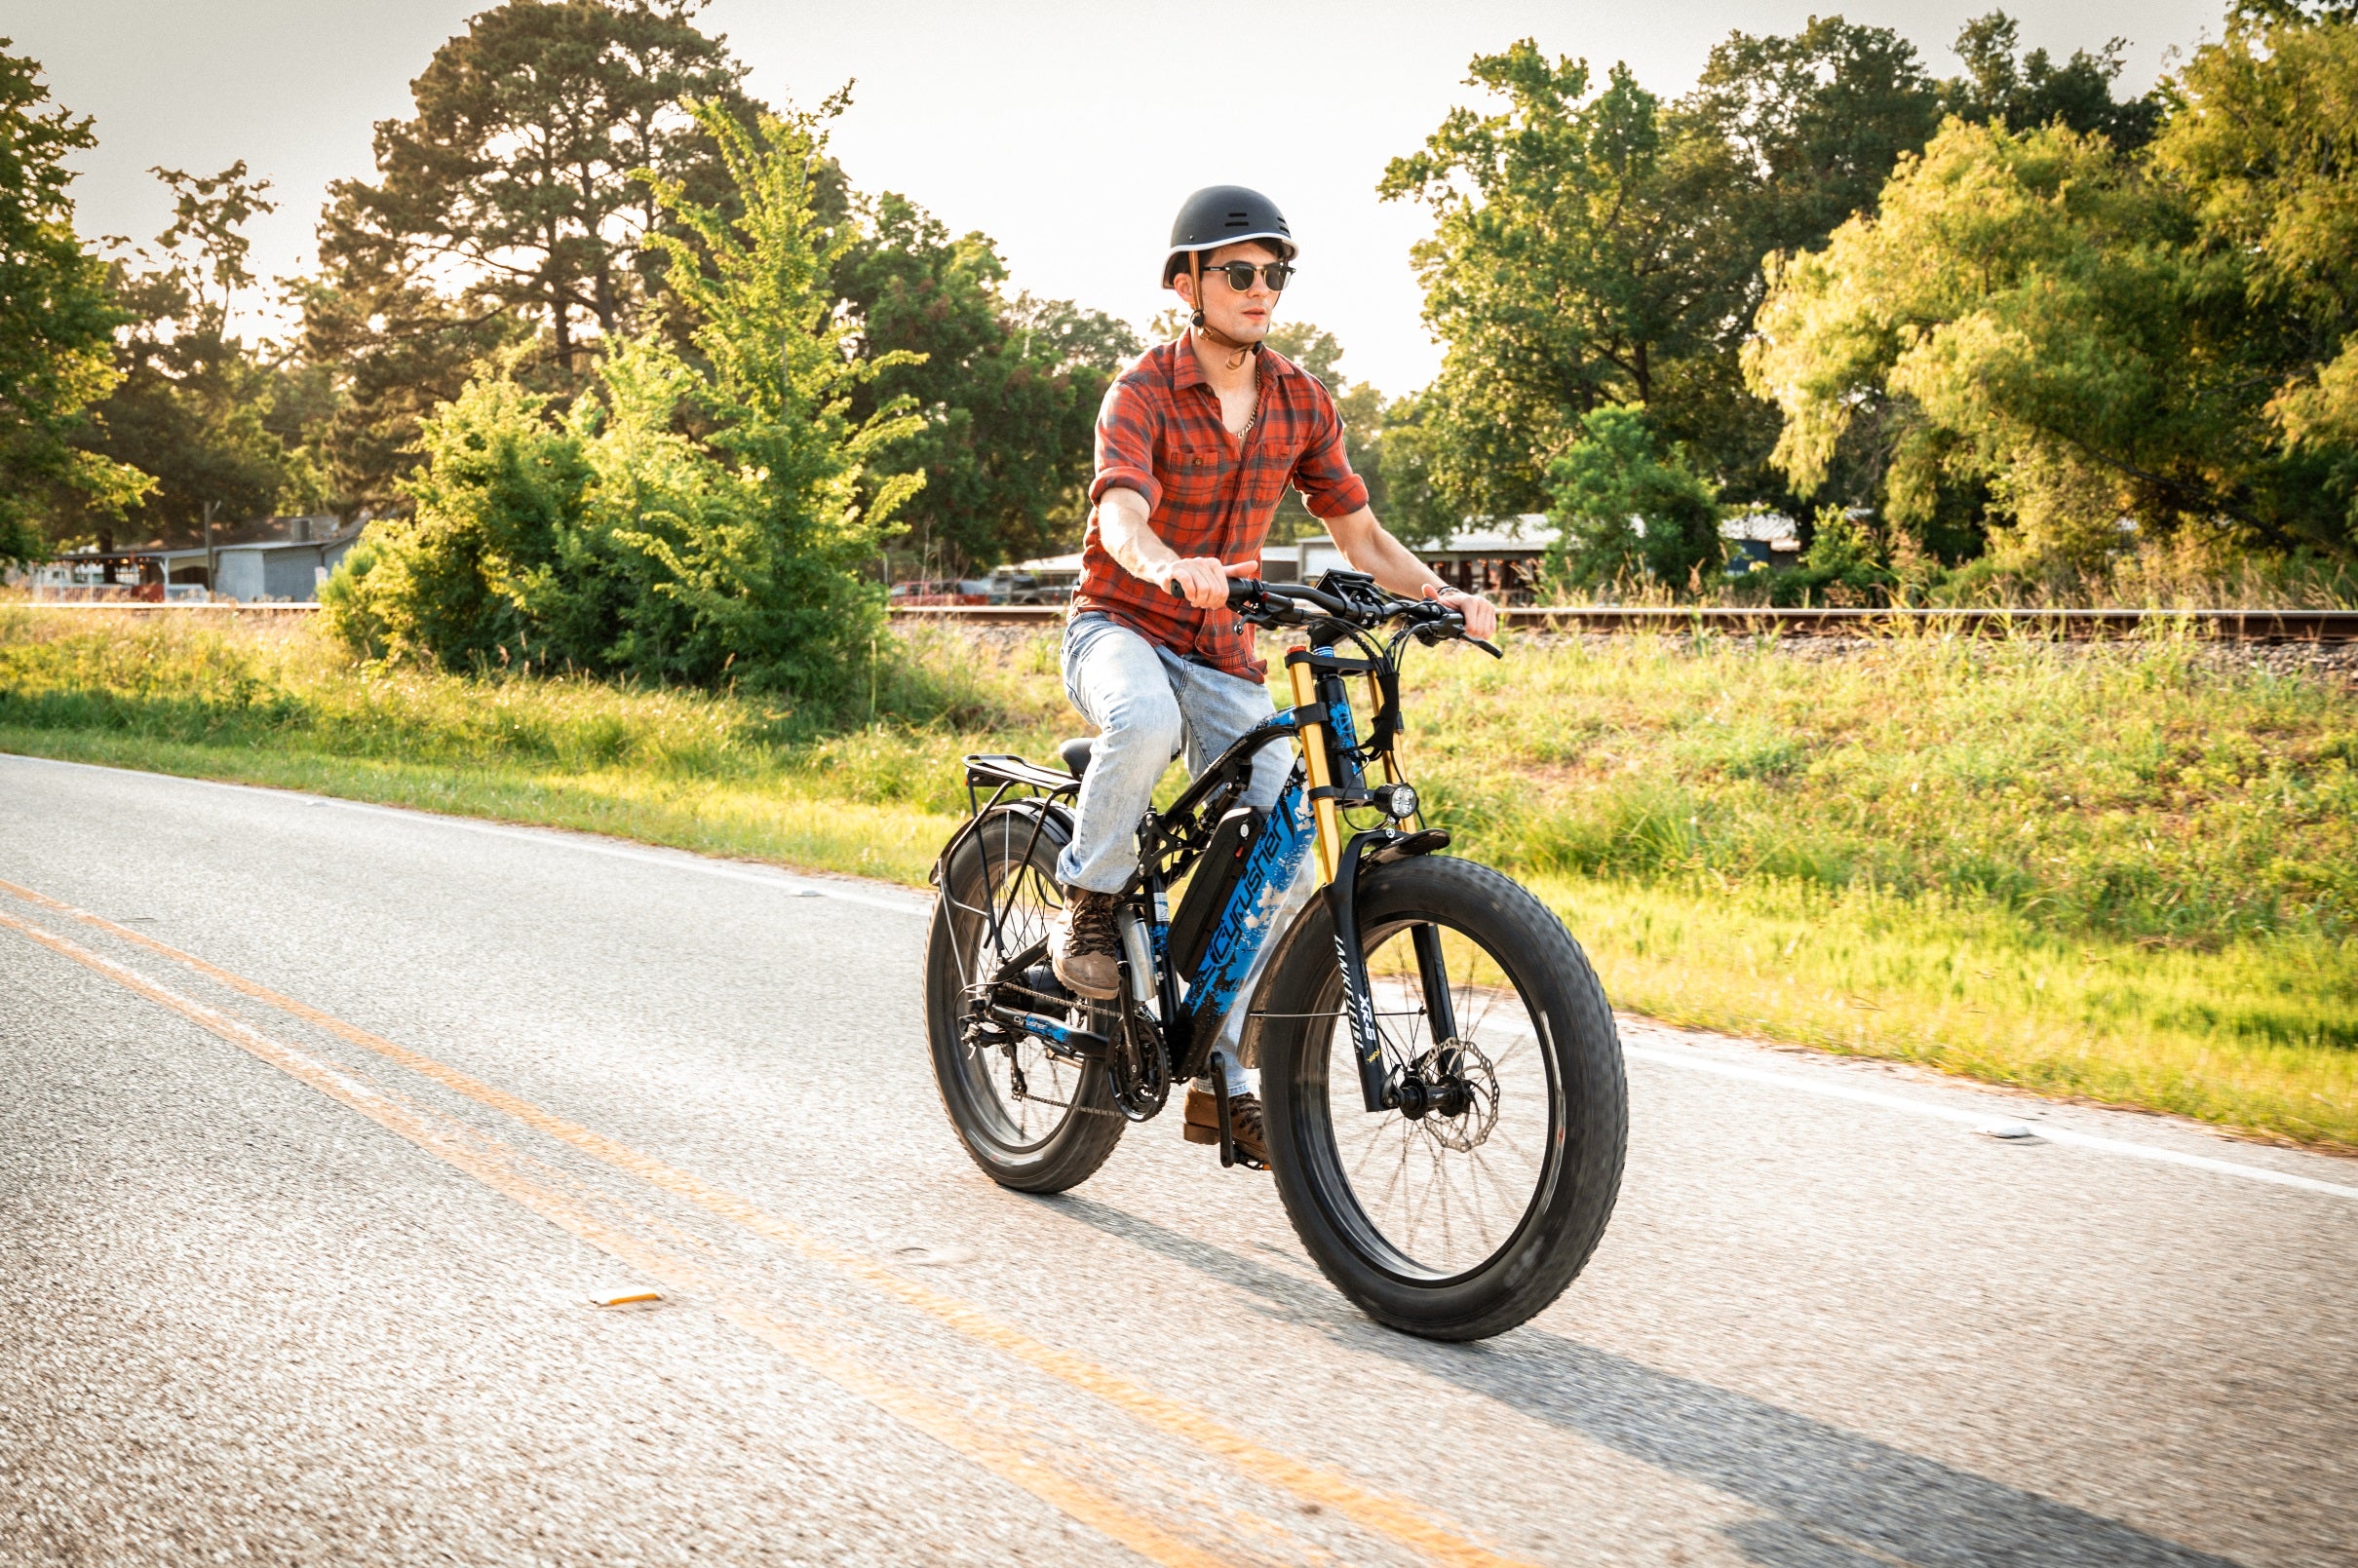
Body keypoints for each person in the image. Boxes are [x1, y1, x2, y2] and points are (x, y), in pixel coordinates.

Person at [1049, 185, 1498, 1163]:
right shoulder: (1140, 392)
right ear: (1188, 283)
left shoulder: (1298, 398)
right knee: (1142, 726)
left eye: (1273, 274)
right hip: (1120, 621)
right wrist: (1167, 563)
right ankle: (1089, 903)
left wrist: (1441, 594)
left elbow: (1360, 532)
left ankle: (1223, 1074)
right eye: (1238, 272)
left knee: (1280, 820)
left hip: (1219, 648)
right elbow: (1121, 518)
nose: (1260, 290)